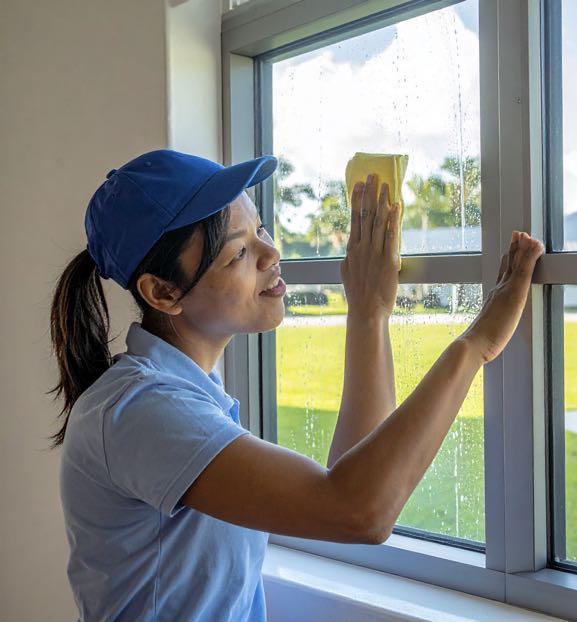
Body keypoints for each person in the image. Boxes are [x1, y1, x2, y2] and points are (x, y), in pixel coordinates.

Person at [50, 149, 545, 621]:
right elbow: (358, 511)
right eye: (239, 252)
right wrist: (475, 345)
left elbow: (352, 478)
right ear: (163, 292)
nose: (271, 252)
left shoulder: (181, 390)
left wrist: (370, 313)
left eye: (260, 228)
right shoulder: (141, 410)